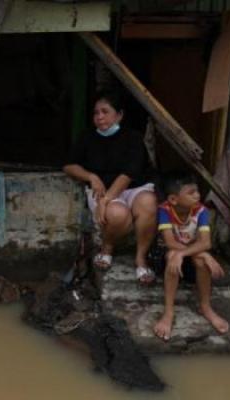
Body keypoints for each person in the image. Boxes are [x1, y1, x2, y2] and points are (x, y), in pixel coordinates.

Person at [63, 90, 157, 284]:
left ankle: (141, 258)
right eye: (96, 113)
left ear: (119, 115)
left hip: (133, 187)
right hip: (102, 188)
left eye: (105, 111)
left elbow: (129, 174)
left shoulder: (133, 137)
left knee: (148, 203)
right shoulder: (87, 137)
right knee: (118, 215)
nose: (99, 117)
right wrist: (91, 177)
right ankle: (107, 247)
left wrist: (105, 200)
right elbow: (69, 165)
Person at [153, 172, 229, 341]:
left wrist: (201, 254)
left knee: (201, 260)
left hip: (190, 258)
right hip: (165, 257)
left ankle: (205, 306)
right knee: (173, 255)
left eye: (197, 191)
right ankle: (169, 312)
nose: (197, 195)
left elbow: (206, 243)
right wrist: (198, 252)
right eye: (191, 193)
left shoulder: (201, 211)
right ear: (173, 199)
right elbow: (170, 242)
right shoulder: (165, 210)